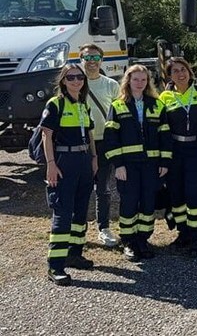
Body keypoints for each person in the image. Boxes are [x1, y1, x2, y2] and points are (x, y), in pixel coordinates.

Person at [103, 65, 171, 262]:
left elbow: (165, 136)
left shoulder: (157, 105)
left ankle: (143, 239)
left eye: (143, 80)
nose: (139, 83)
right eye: (135, 79)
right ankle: (129, 242)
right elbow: (111, 138)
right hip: (128, 165)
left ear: (148, 82)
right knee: (129, 203)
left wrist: (164, 161)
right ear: (128, 81)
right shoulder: (117, 105)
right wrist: (119, 164)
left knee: (148, 203)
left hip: (151, 164)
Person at [40, 64, 98, 286]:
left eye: (80, 77)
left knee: (81, 211)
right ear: (63, 81)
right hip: (64, 162)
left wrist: (94, 158)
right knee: (63, 212)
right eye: (71, 77)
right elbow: (47, 135)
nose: (76, 81)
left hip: (84, 161)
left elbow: (90, 134)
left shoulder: (84, 105)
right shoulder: (56, 104)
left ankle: (75, 253)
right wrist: (51, 164)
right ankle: (55, 265)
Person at [159, 57, 197, 257]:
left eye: (183, 69)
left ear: (190, 72)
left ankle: (196, 239)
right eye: (175, 71)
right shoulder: (164, 97)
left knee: (194, 195)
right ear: (169, 75)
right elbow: (161, 129)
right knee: (176, 195)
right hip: (175, 150)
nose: (180, 74)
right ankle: (183, 233)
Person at [79, 43, 120, 247]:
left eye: (96, 58)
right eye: (88, 58)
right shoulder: (75, 83)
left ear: (102, 60)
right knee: (81, 187)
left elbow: (119, 114)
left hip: (104, 142)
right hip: (81, 143)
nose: (92, 62)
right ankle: (77, 229)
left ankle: (103, 228)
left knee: (103, 187)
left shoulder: (111, 85)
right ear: (81, 60)